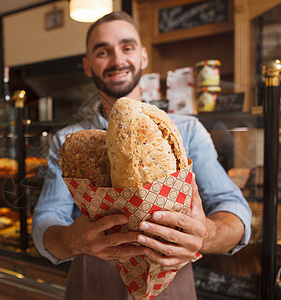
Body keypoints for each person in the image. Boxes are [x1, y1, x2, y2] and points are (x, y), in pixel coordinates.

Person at [31, 11, 251, 300]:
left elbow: (234, 208)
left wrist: (205, 234)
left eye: (127, 47)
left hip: (171, 284)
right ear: (87, 65)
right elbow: (46, 218)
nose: (117, 60)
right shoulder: (69, 142)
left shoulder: (185, 130)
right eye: (102, 51)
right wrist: (71, 240)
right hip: (93, 282)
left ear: (143, 57)